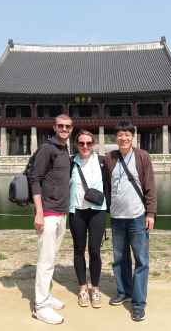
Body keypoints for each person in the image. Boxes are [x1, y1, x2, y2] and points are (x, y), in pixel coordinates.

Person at [104, 121, 157, 322]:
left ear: (132, 137)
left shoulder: (142, 156)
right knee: (119, 258)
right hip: (117, 217)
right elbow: (108, 186)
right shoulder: (110, 158)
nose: (123, 138)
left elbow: (150, 185)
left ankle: (138, 303)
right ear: (115, 137)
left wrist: (150, 213)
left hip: (137, 216)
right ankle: (124, 290)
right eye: (120, 135)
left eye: (127, 135)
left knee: (141, 260)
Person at [29, 114, 73, 325]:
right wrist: (39, 211)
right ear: (55, 127)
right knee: (45, 261)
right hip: (47, 213)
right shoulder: (47, 148)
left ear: (71, 129)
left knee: (52, 257)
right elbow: (35, 179)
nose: (64, 129)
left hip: (61, 212)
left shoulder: (64, 148)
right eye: (61, 126)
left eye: (68, 126)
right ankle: (40, 306)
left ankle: (46, 296)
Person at [68, 130, 107, 308]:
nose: (85, 146)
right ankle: (83, 288)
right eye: (81, 143)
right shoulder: (70, 162)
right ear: (76, 144)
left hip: (97, 211)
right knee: (78, 249)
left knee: (94, 250)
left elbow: (111, 185)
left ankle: (95, 288)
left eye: (89, 143)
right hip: (77, 211)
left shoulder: (102, 162)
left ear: (94, 144)